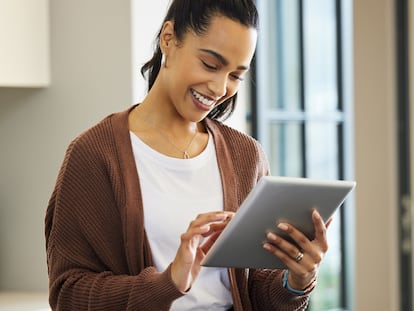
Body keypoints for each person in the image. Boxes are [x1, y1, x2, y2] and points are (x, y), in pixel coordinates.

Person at [45, 0, 331, 310]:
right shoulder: (94, 155)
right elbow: (68, 295)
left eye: (236, 75)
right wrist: (167, 283)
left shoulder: (246, 156)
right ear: (168, 38)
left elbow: (254, 290)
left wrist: (296, 280)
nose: (220, 87)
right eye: (210, 64)